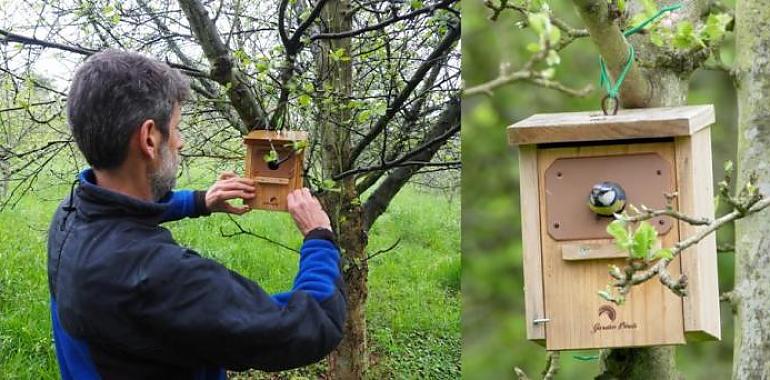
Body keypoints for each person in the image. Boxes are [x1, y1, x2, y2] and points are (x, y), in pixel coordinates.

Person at [47, 49, 346, 379]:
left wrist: (201, 201)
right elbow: (311, 324)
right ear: (149, 138)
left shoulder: (70, 216)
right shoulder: (163, 279)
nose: (181, 142)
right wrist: (320, 237)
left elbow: (123, 214)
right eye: (176, 128)